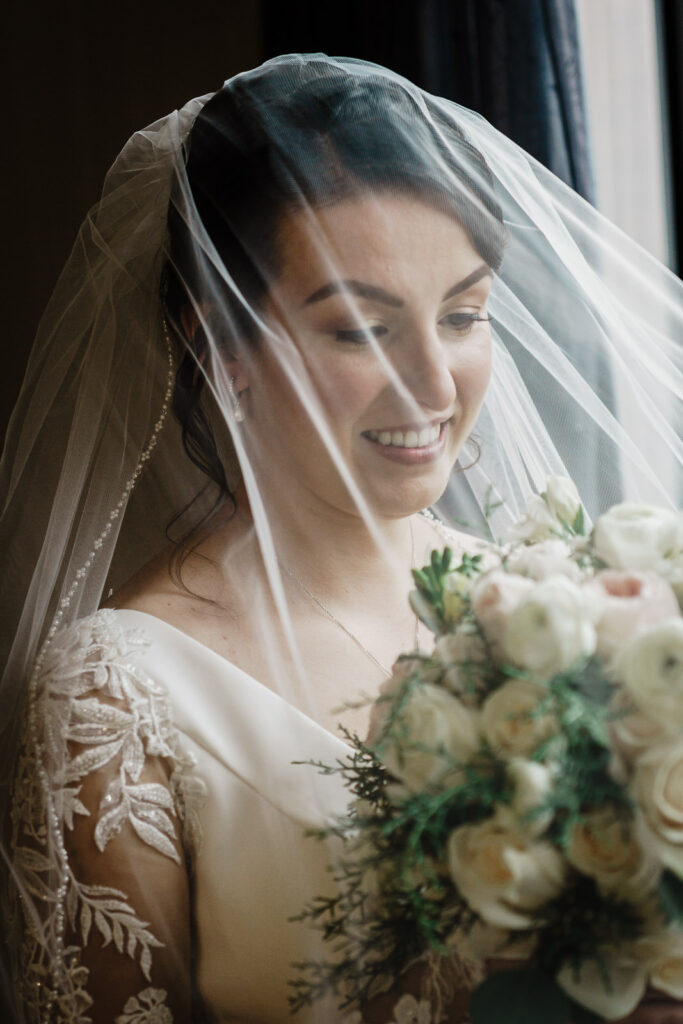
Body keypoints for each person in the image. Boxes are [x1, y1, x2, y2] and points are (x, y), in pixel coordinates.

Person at [1, 54, 681, 1024]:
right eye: (362, 329)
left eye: (461, 315)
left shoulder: (560, 609)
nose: (435, 388)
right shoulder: (116, 694)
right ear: (223, 352)